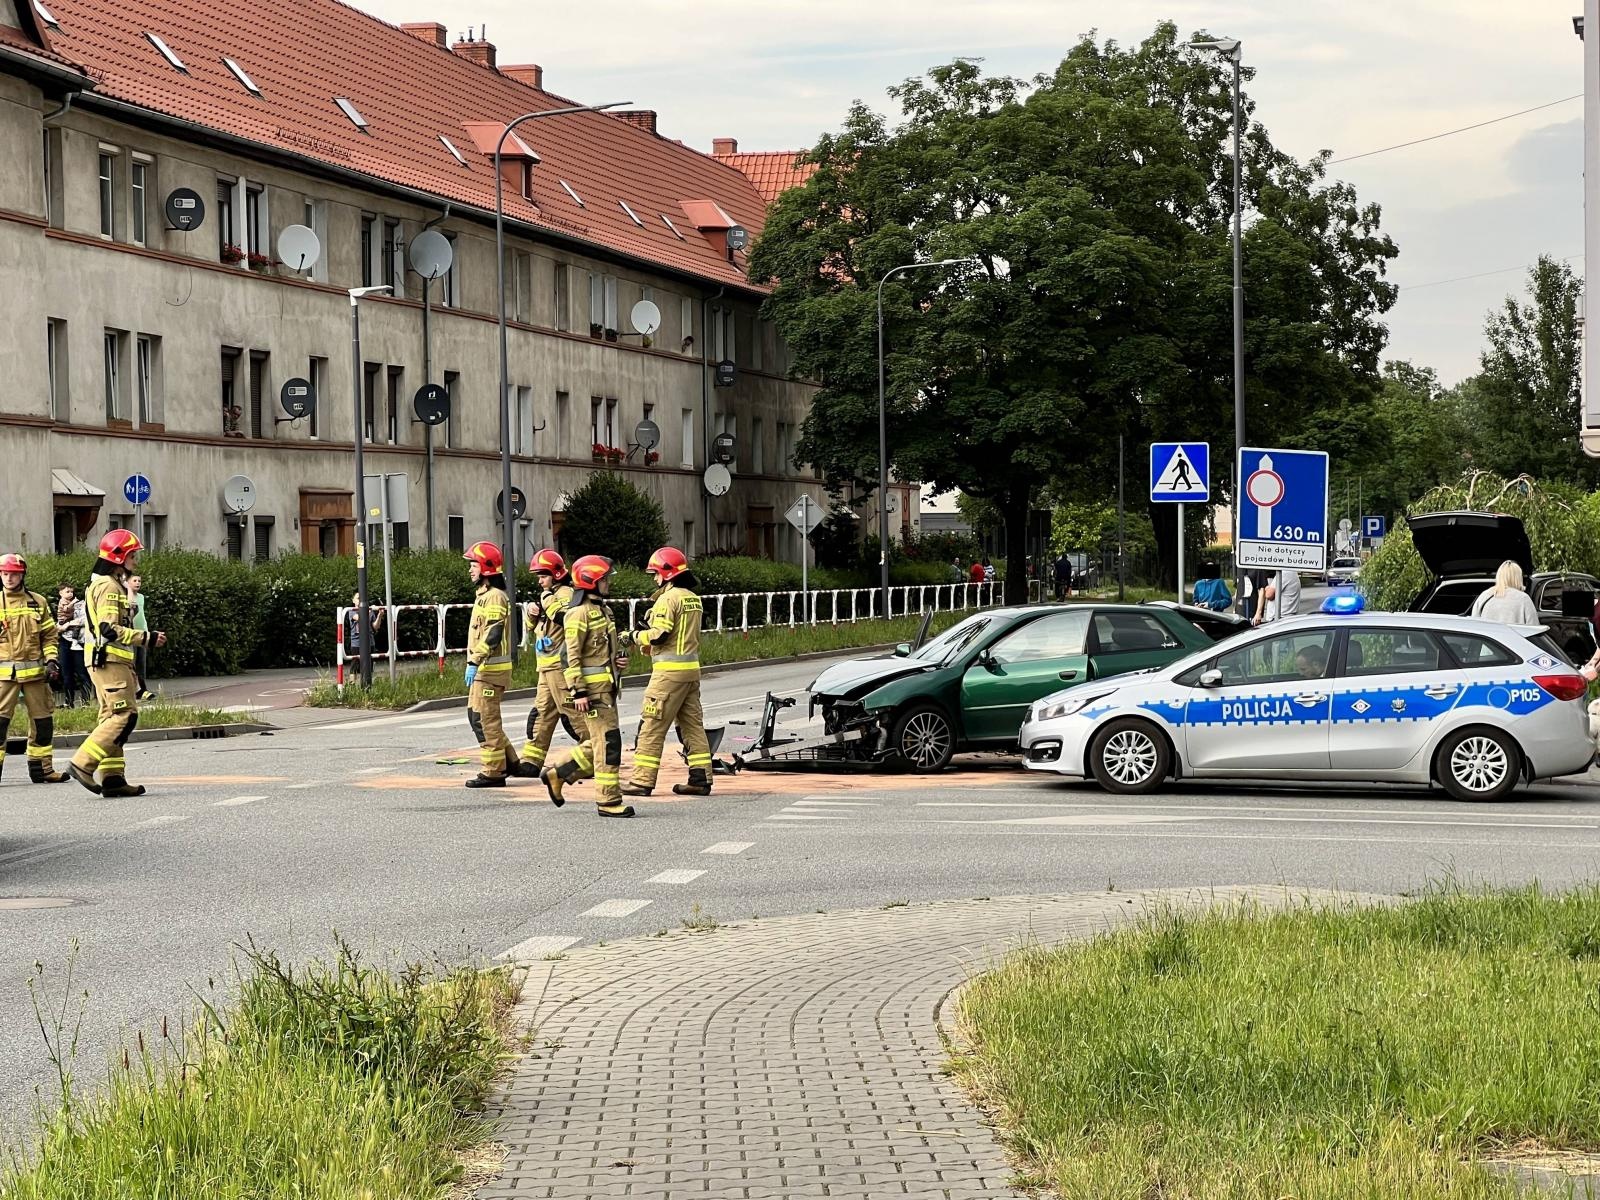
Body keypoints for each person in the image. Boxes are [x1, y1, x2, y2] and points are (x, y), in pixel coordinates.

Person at [68, 530, 165, 796]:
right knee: (125, 715)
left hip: (107, 660)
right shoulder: (109, 586)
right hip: (109, 660)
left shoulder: (105, 583)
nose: (135, 560)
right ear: (119, 557)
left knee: (110, 716)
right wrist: (146, 637)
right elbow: (108, 628)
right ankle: (82, 764)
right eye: (132, 555)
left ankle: (112, 778)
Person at [621, 546, 713, 797]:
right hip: (691, 673)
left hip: (668, 675)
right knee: (692, 726)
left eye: (656, 573)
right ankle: (700, 778)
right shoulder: (692, 597)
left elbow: (659, 634)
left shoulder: (668, 599)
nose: (654, 578)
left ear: (666, 573)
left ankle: (641, 781)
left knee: (652, 725)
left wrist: (633, 636)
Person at [542, 555, 630, 817]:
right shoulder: (578, 613)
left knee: (601, 742)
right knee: (607, 744)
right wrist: (577, 690)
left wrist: (619, 660)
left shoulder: (604, 610)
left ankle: (558, 773)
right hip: (592, 693)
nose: (608, 584)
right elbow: (570, 656)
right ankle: (608, 801)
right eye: (604, 579)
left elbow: (603, 650)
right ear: (591, 580)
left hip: (607, 688)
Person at [0, 553, 68, 784]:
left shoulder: (37, 602)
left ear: (22, 575)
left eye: (14, 574)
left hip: (36, 675)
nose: (9, 578)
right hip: (3, 677)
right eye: (5, 573)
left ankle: (43, 770)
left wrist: (52, 661)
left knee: (42, 722)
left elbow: (49, 636)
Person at [461, 541, 520, 788]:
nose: (470, 570)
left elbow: (493, 634)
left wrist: (475, 660)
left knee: (486, 720)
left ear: (485, 567)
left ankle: (495, 772)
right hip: (484, 671)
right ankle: (511, 762)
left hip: (491, 671)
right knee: (476, 716)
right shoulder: (484, 596)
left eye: (473, 564)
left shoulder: (495, 597)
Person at [516, 548, 578, 778]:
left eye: (543, 576)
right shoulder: (548, 594)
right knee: (541, 714)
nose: (540, 581)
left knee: (573, 714)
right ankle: (531, 760)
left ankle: (593, 754)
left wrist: (545, 601)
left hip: (560, 668)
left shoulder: (565, 594)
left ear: (556, 574)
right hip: (546, 666)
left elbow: (563, 618)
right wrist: (531, 614)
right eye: (538, 577)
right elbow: (534, 627)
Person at [54, 583, 88, 708]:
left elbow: (85, 619)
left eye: (71, 591)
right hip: (64, 641)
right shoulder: (59, 605)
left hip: (78, 641)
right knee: (66, 673)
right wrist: (60, 627)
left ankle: (86, 702)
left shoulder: (80, 604)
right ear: (60, 593)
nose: (70, 594)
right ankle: (68, 702)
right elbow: (57, 624)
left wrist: (68, 625)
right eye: (67, 591)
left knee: (82, 672)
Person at [1471, 560, 1539, 624]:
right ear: (1518, 578)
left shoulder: (1484, 596)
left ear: (1499, 576)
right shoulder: (1523, 599)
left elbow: (1474, 626)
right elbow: (1534, 628)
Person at [128, 574, 155, 700]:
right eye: (134, 580)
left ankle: (143, 689)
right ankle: (133, 690)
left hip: (142, 632)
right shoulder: (126, 597)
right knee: (131, 663)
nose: (137, 583)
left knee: (141, 663)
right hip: (131, 634)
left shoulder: (141, 597)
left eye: (139, 581)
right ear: (128, 582)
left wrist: (146, 631)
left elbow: (142, 616)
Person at [343, 590, 385, 668]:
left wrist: (379, 615)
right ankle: (353, 680)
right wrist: (369, 610)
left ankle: (368, 680)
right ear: (353, 600)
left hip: (370, 642)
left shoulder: (370, 612)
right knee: (354, 667)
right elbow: (360, 618)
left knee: (369, 666)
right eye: (358, 598)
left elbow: (375, 627)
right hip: (357, 643)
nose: (360, 600)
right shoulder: (351, 611)